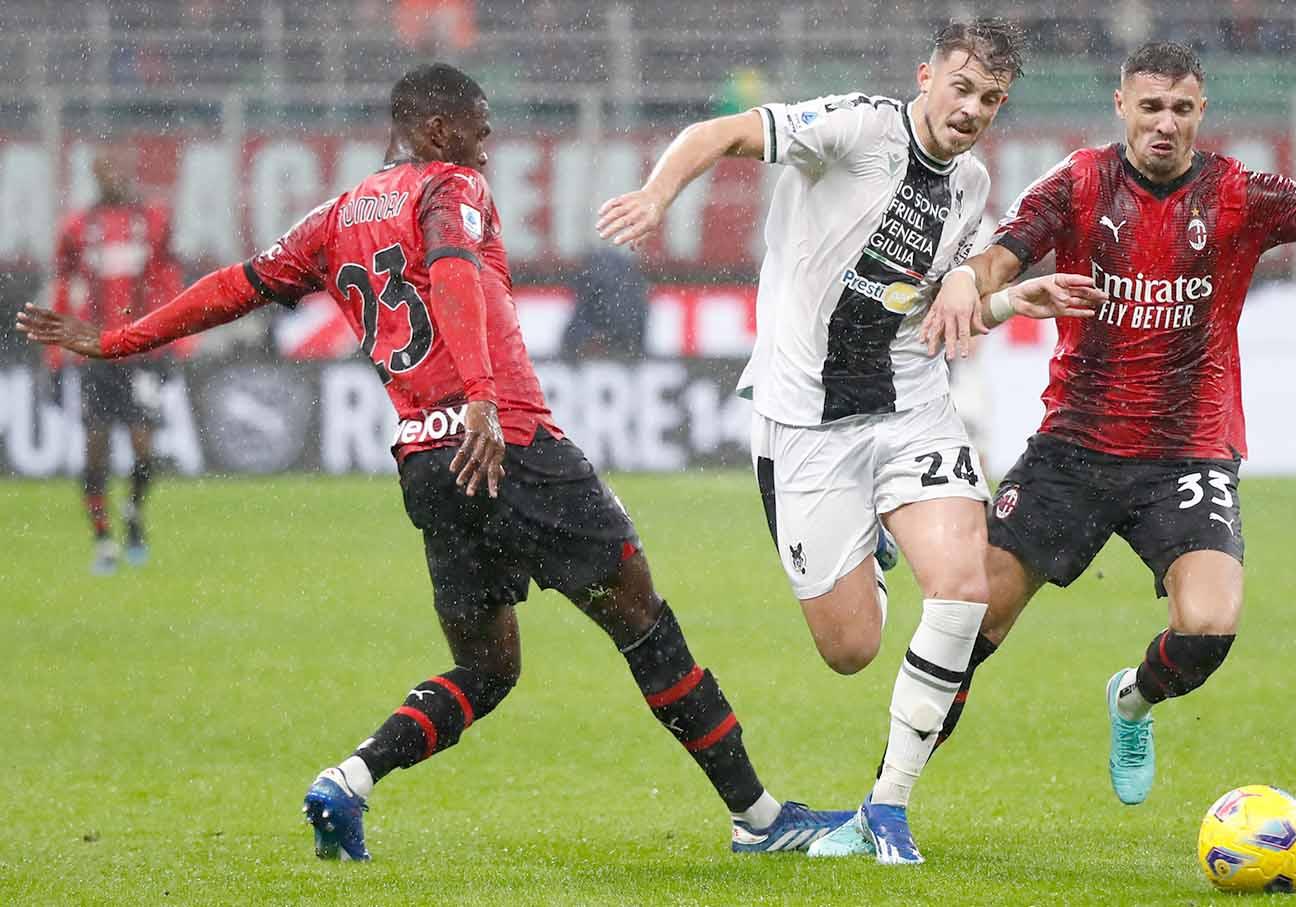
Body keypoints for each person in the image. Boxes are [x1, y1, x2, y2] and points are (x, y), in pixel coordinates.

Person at [17, 63, 847, 861]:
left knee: (486, 668)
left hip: (428, 463)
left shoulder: (335, 217)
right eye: (480, 133)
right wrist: (481, 395)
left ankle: (348, 779)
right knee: (643, 622)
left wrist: (120, 339)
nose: (487, 150)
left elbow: (235, 285)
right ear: (439, 128)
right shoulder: (450, 186)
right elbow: (451, 270)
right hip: (508, 444)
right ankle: (759, 818)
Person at [596, 19, 1104, 864]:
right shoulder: (856, 127)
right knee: (850, 648)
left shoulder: (971, 185)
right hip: (805, 420)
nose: (972, 110)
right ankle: (870, 544)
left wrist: (1009, 301)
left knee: (964, 585)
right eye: (962, 88)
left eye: (991, 99)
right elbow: (718, 132)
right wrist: (657, 196)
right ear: (926, 77)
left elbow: (931, 308)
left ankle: (887, 807)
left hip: (911, 402)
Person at [920, 41, 1296, 806]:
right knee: (964, 630)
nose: (1164, 123)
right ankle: (887, 802)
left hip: (1188, 454)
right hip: (1073, 446)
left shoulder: (1239, 192)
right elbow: (1000, 259)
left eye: (1180, 108)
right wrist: (966, 284)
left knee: (1207, 630)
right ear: (1121, 107)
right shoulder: (1078, 183)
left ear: (1201, 111)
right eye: (1150, 107)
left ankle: (1131, 701)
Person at [50, 147, 182, 574]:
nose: (113, 178)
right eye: (104, 171)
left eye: (117, 169)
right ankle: (104, 539)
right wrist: (55, 355)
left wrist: (175, 342)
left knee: (144, 448)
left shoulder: (152, 222)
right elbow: (64, 290)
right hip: (97, 354)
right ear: (94, 176)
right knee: (96, 447)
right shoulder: (76, 228)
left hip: (142, 353)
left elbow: (167, 282)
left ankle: (133, 512)